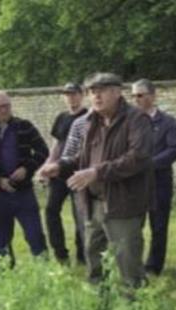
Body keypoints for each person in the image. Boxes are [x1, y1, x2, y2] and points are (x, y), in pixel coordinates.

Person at [44, 73, 154, 287]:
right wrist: (60, 166)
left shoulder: (136, 119)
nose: (95, 96)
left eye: (101, 91)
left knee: (128, 265)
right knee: (94, 260)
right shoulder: (92, 120)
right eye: (92, 92)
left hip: (123, 203)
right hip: (92, 202)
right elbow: (83, 156)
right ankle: (99, 307)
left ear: (116, 92)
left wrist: (96, 172)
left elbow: (138, 157)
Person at [0, 91, 49, 261]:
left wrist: (26, 168)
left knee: (35, 235)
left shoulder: (25, 126)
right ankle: (7, 276)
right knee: (2, 241)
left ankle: (46, 273)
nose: (3, 110)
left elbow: (43, 151)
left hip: (24, 193)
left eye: (6, 106)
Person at [131, 79, 176, 275]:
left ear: (152, 96)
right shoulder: (129, 121)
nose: (136, 99)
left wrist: (149, 164)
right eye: (133, 95)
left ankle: (154, 266)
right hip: (135, 183)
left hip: (159, 181)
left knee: (158, 226)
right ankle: (133, 263)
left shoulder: (168, 122)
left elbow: (173, 149)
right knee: (134, 226)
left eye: (140, 95)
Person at [41, 82, 88, 265]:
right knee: (51, 210)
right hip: (59, 174)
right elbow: (57, 145)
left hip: (78, 172)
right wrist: (47, 166)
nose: (71, 97)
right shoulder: (61, 117)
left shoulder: (88, 117)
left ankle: (83, 255)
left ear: (82, 95)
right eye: (67, 94)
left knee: (80, 215)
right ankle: (60, 253)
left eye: (74, 94)